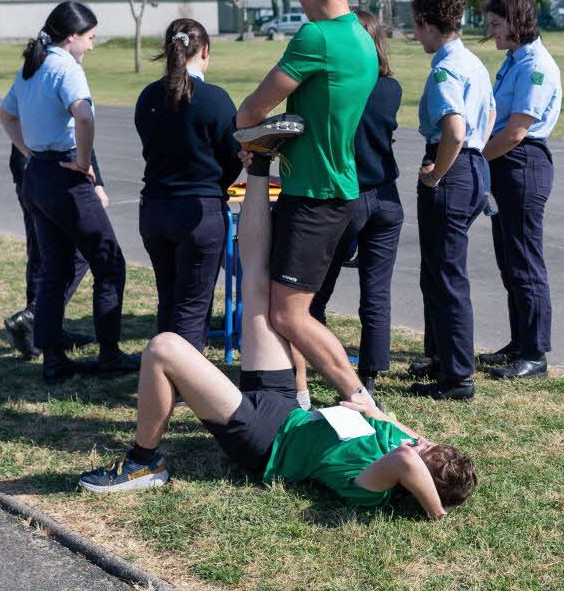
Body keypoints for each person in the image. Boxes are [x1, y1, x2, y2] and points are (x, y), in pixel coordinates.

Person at [77, 148, 477, 518]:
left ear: (414, 482)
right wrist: (401, 432)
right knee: (259, 285)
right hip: (288, 409)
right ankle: (259, 163)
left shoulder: (373, 486)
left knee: (164, 348)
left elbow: (408, 461)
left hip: (264, 440)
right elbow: (394, 431)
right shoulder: (405, 448)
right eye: (425, 444)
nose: (417, 443)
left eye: (424, 451)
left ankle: (143, 463)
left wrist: (436, 510)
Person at [235, 0, 379, 409]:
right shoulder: (362, 36)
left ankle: (360, 397)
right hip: (333, 190)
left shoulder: (316, 37)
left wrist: (253, 137)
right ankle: (297, 401)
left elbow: (253, 107)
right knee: (293, 308)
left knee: (290, 314)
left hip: (315, 195)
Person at [0, 1, 139, 384]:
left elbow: (6, 114)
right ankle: (109, 354)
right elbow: (84, 114)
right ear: (72, 36)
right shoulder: (66, 68)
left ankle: (54, 359)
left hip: (38, 175)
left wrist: (30, 151)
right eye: (90, 38)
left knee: (54, 269)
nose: (91, 47)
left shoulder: (32, 67)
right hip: (64, 175)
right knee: (109, 263)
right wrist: (83, 160)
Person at [301, 9, 403, 401]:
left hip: (349, 194)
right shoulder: (390, 88)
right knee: (376, 292)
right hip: (387, 197)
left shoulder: (344, 86)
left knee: (316, 290)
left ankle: (318, 360)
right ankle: (371, 375)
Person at [407, 0, 495, 401]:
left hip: (453, 169)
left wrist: (436, 174)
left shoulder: (444, 69)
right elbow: (490, 111)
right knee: (439, 272)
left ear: (427, 24)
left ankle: (458, 376)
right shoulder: (473, 62)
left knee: (446, 276)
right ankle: (443, 358)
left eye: (416, 28)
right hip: (476, 166)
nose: (414, 36)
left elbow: (454, 131)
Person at [134, 19, 242, 350]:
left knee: (168, 296)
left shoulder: (148, 96)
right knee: (193, 306)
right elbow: (234, 155)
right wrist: (217, 185)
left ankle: (163, 375)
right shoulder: (215, 99)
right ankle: (183, 385)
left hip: (154, 208)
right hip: (199, 210)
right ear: (205, 51)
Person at [478, 0, 562, 380]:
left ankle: (535, 354)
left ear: (516, 21)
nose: (492, 32)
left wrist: (475, 160)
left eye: (496, 24)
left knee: (526, 262)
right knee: (510, 261)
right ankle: (518, 343)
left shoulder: (534, 66)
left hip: (521, 162)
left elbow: (515, 131)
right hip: (505, 164)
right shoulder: (515, 60)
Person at [0, 144, 102, 359]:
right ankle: (36, 318)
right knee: (78, 251)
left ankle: (42, 330)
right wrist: (94, 178)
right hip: (55, 168)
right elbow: (78, 128)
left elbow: (9, 115)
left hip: (31, 169)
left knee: (41, 253)